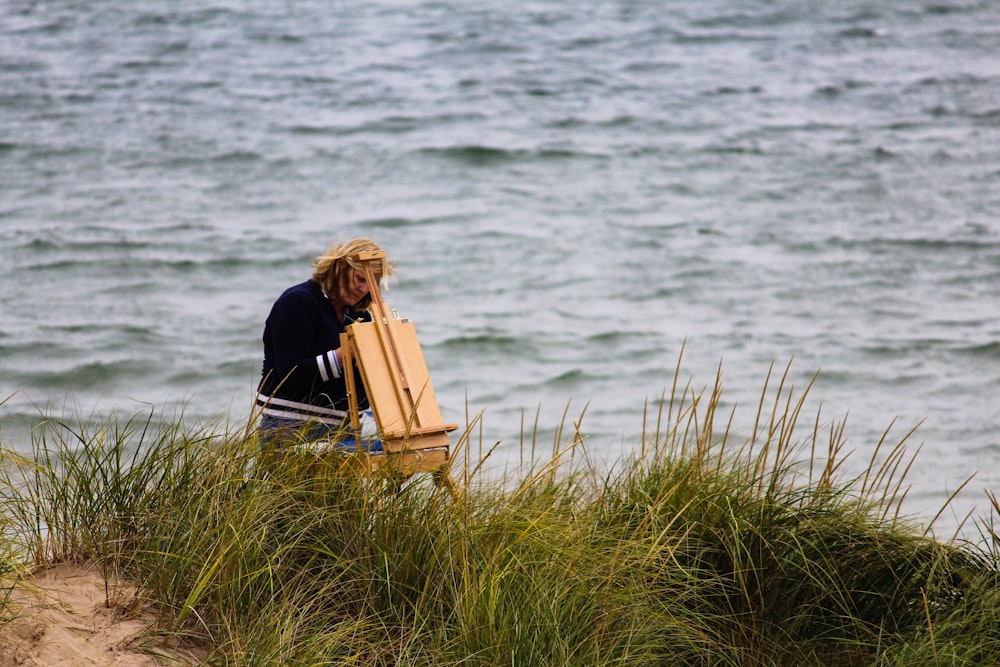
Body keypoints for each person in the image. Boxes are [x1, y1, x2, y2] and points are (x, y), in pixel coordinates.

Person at [256, 238, 395, 448]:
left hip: (341, 430)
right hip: (288, 426)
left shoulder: (359, 316)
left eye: (372, 282)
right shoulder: (298, 302)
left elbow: (358, 397)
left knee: (403, 452)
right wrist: (344, 353)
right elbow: (291, 376)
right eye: (360, 278)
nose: (364, 289)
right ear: (340, 267)